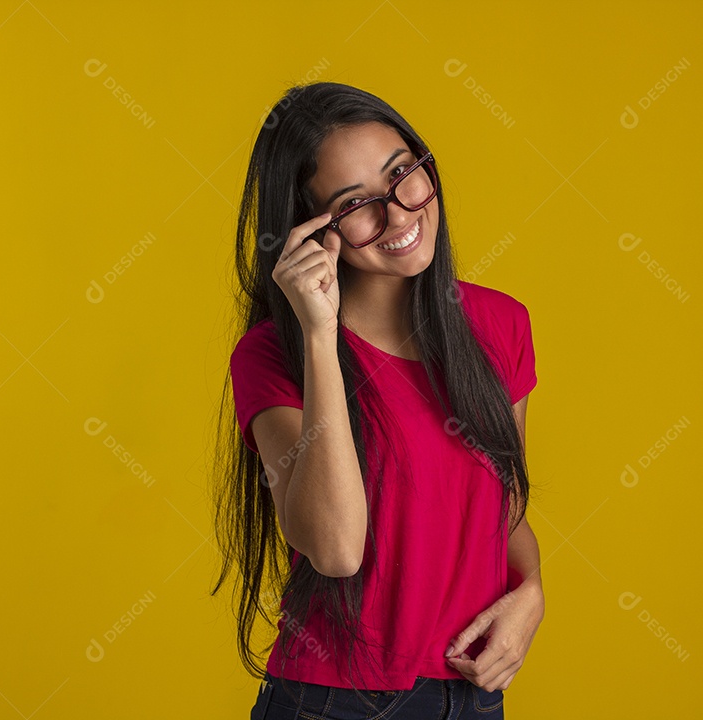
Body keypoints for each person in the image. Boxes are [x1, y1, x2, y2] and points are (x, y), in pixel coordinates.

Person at [211, 81, 543, 720]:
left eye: (403, 174)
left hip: (473, 698)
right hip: (336, 702)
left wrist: (531, 592)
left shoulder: (500, 326)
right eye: (355, 203)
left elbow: (504, 505)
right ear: (309, 228)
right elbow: (336, 549)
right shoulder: (271, 356)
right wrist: (318, 333)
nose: (398, 214)